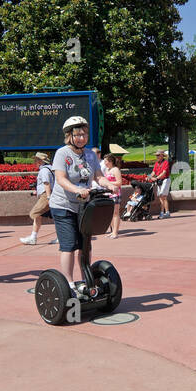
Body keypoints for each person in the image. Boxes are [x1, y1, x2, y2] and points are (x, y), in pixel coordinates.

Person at [50, 116, 117, 290]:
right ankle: (69, 283)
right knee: (69, 245)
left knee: (85, 244)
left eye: (84, 134)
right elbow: (61, 179)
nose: (82, 138)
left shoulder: (90, 155)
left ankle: (86, 280)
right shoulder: (62, 153)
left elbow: (98, 176)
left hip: (83, 206)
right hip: (63, 205)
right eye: (78, 135)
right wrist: (76, 189)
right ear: (69, 136)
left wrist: (109, 184)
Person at [21, 151, 53, 245]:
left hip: (46, 196)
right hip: (46, 194)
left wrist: (48, 197)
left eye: (36, 160)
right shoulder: (50, 169)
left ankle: (33, 237)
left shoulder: (44, 170)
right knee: (41, 216)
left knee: (34, 214)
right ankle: (33, 237)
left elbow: (46, 183)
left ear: (40, 161)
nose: (34, 162)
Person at [101, 150, 125, 238]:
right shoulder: (108, 170)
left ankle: (115, 232)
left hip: (115, 194)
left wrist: (109, 183)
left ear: (111, 161)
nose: (105, 163)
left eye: (106, 161)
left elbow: (119, 182)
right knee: (110, 214)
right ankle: (113, 231)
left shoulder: (115, 170)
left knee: (115, 213)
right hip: (108, 194)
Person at [151, 149, 171, 219]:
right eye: (156, 155)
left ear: (162, 156)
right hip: (159, 181)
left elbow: (164, 173)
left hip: (165, 180)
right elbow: (153, 172)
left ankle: (164, 212)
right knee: (160, 197)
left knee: (163, 196)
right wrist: (150, 177)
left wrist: (156, 178)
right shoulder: (156, 163)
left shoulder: (165, 162)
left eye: (158, 155)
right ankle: (165, 212)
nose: (157, 156)